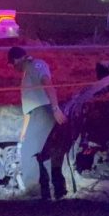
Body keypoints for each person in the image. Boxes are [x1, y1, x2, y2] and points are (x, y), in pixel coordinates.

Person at [8, 46, 68, 200]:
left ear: (16, 60)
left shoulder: (36, 65)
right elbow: (28, 109)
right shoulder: (27, 73)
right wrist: (24, 132)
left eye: (13, 64)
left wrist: (55, 108)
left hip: (43, 112)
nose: (14, 68)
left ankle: (33, 191)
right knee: (41, 153)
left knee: (30, 152)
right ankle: (47, 191)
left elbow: (48, 84)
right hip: (36, 114)